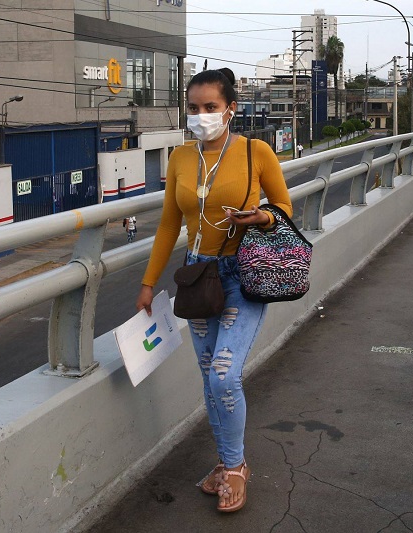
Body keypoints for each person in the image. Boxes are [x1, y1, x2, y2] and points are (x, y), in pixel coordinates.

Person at [135, 68, 292, 513]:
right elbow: (169, 224)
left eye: (210, 107)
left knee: (224, 373)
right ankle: (225, 464)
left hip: (243, 276)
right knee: (209, 378)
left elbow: (283, 206)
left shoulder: (255, 152)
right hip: (197, 278)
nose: (202, 116)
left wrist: (262, 218)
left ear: (231, 110)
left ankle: (236, 467)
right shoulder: (181, 158)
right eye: (194, 108)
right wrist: (148, 283)